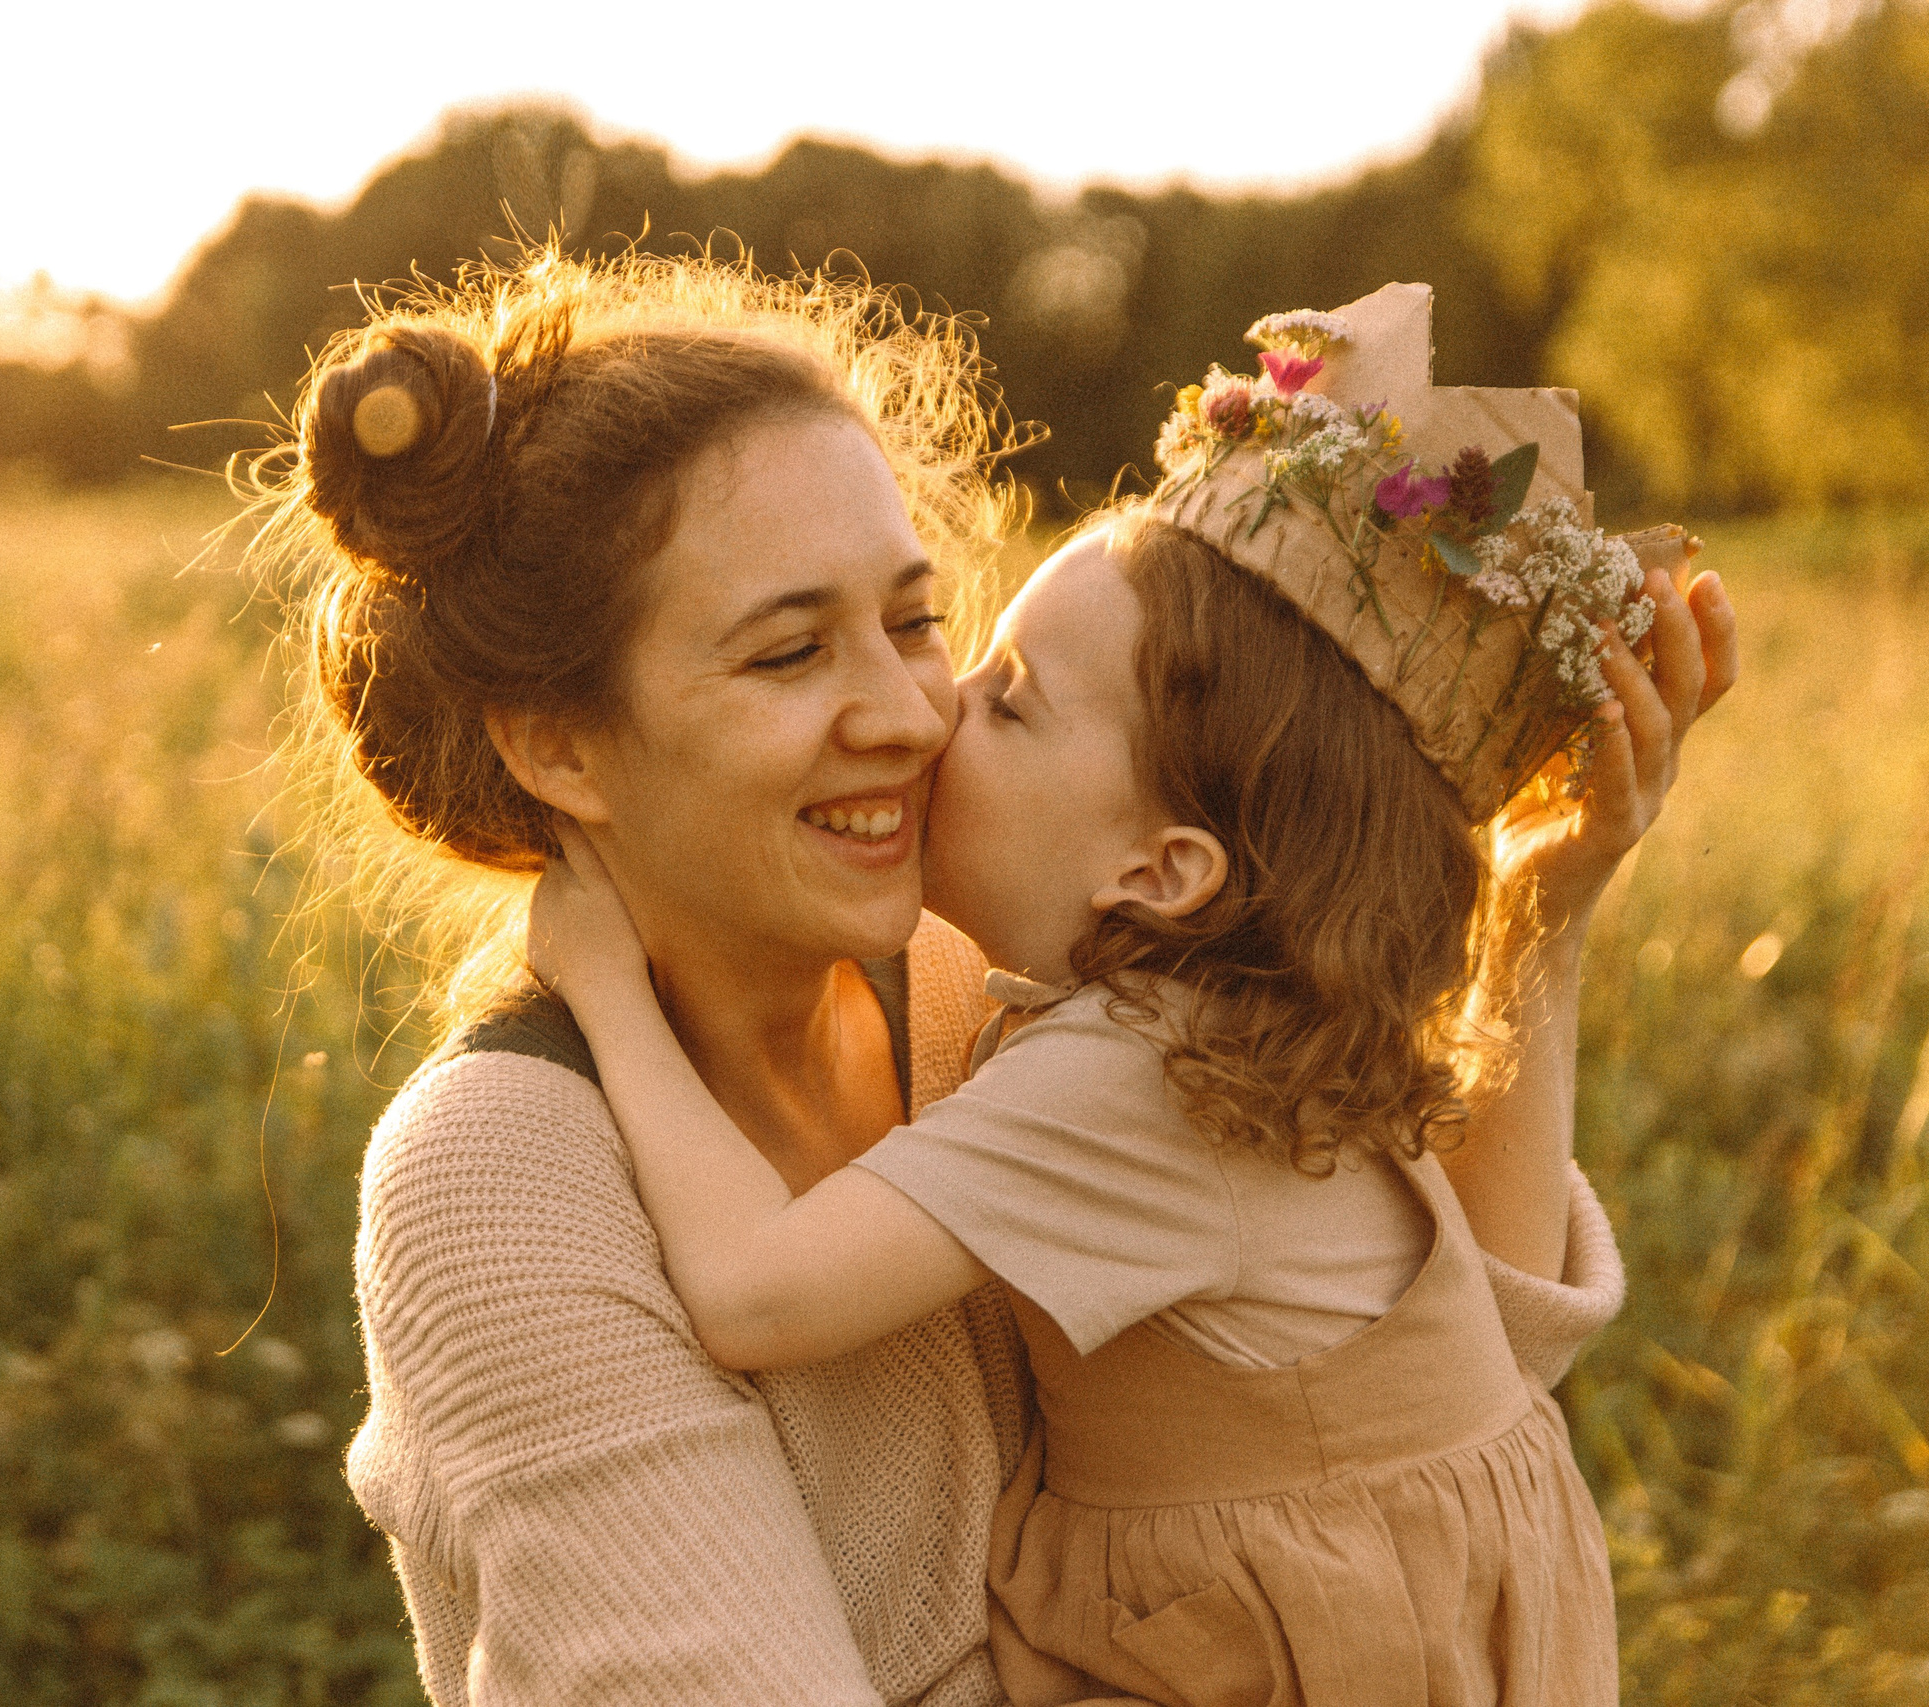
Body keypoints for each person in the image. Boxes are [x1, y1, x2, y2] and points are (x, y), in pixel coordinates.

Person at [244, 252, 1732, 1705]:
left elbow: (1451, 1368)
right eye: (787, 656)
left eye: (915, 622)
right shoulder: (499, 1182)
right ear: (558, 745)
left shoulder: (997, 986)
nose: (908, 712)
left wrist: (1547, 902)